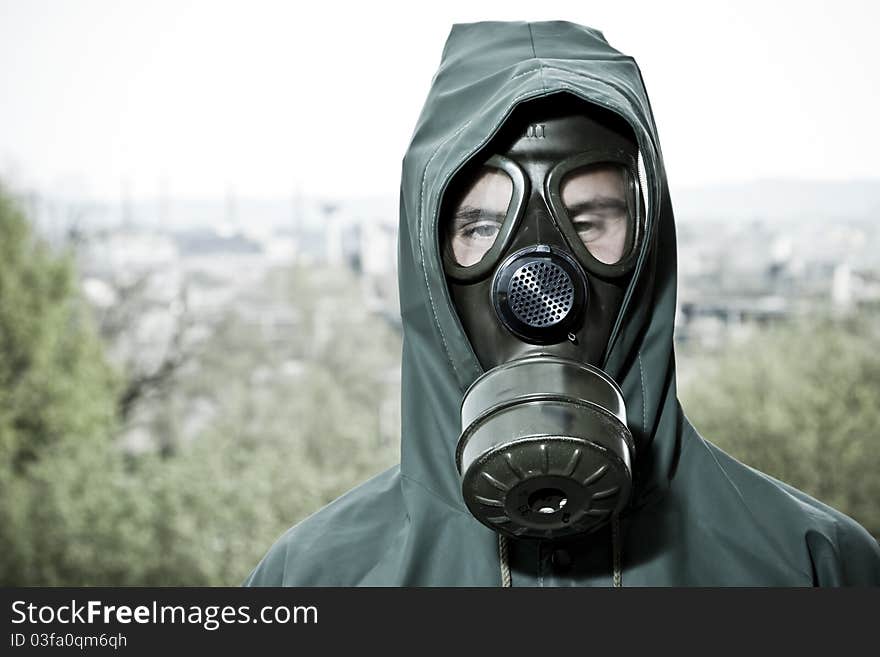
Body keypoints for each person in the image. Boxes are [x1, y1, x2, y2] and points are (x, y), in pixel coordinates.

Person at [244, 20, 880, 586]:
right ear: (429, 265)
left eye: (589, 219)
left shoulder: (815, 569)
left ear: (650, 245)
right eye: (483, 229)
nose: (540, 283)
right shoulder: (310, 581)